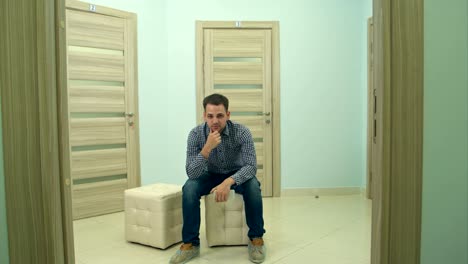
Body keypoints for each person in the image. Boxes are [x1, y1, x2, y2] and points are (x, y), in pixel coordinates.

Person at [169, 93, 266, 264]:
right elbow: (191, 173)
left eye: (220, 116)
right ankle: (190, 244)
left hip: (235, 174)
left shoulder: (242, 132)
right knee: (189, 188)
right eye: (210, 116)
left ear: (228, 115)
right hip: (209, 174)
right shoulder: (195, 134)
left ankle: (256, 238)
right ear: (204, 116)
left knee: (253, 187)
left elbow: (251, 166)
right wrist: (207, 148)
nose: (215, 121)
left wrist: (228, 182)